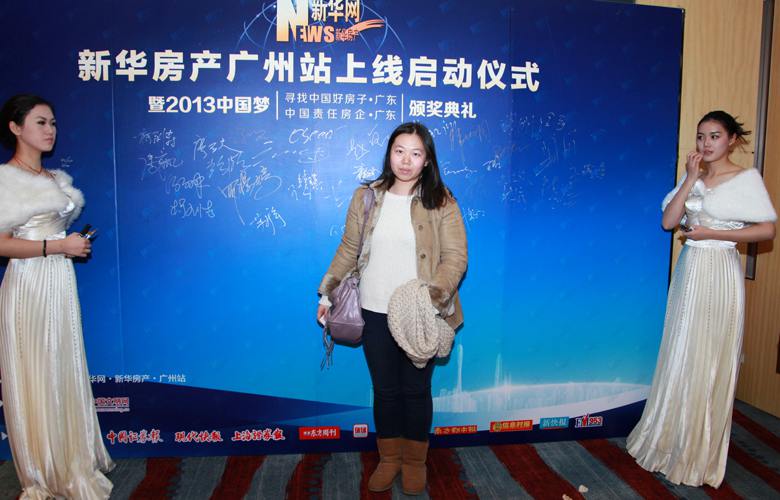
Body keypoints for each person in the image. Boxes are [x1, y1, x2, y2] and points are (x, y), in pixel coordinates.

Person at [627, 110, 776, 488]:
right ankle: (668, 439)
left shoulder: (746, 178)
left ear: (732, 140)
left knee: (709, 355)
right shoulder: (693, 175)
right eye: (701, 136)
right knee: (681, 348)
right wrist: (691, 178)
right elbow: (668, 221)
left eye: (714, 136)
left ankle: (698, 450)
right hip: (689, 269)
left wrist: (714, 233)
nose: (706, 144)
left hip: (720, 270)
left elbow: (766, 230)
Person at [317, 122, 467, 495]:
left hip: (420, 315)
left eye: (416, 153)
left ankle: (415, 462)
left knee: (415, 390)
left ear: (427, 160)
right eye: (399, 151)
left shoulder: (442, 201)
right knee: (385, 390)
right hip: (373, 310)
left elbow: (455, 258)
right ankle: (389, 459)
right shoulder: (366, 197)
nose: (406, 160)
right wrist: (327, 294)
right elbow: (349, 248)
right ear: (389, 153)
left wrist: (431, 301)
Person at [0, 94, 114, 499]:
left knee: (62, 366)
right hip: (29, 285)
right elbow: (2, 243)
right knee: (36, 371)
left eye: (52, 123)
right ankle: (42, 472)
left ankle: (71, 461)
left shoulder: (53, 178)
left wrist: (69, 246)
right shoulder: (6, 179)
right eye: (40, 122)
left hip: (59, 282)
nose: (50, 130)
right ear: (15, 127)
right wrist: (57, 246)